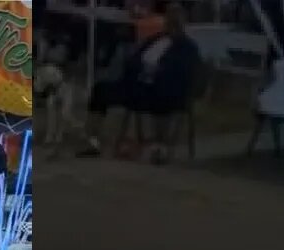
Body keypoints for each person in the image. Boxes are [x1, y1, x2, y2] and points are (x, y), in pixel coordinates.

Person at [78, 3, 201, 164]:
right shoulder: (154, 39)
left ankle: (159, 147)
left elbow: (182, 73)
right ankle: (92, 141)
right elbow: (133, 60)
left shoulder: (188, 47)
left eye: (175, 20)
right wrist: (141, 68)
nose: (171, 24)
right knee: (100, 90)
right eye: (169, 19)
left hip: (162, 90)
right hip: (137, 84)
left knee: (164, 98)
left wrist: (155, 71)